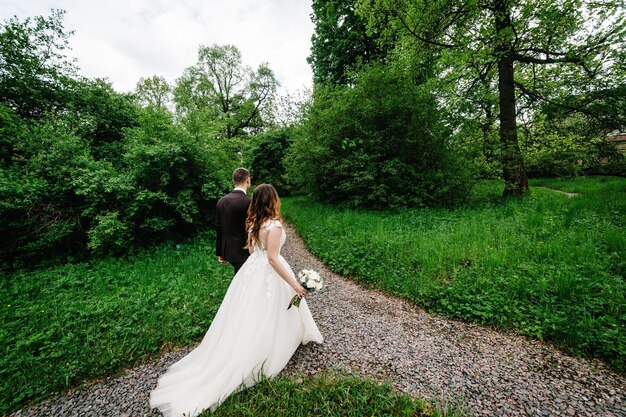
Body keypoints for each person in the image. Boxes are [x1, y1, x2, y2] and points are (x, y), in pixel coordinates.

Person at [150, 184, 323, 417]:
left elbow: (253, 251)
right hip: (269, 269)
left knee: (248, 310)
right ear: (273, 200)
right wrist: (293, 283)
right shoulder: (274, 225)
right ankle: (268, 347)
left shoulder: (254, 223)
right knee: (269, 309)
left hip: (252, 270)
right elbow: (273, 259)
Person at [216, 168, 251, 275]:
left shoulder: (221, 201)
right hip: (245, 250)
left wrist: (220, 252)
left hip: (228, 250)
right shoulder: (249, 201)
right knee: (244, 281)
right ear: (248, 180)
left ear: (233, 181)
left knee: (240, 278)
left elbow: (219, 228)